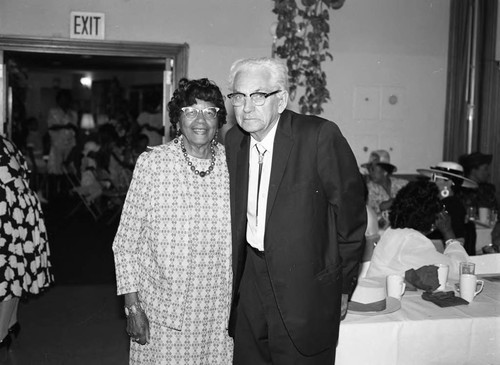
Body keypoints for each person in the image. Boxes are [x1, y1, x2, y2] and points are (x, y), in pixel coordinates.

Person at [224, 57, 366, 364]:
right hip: (249, 282)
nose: (246, 108)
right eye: (238, 96)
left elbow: (351, 219)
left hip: (305, 287)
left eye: (258, 96)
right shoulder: (234, 140)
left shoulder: (318, 137)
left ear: (281, 100)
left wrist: (344, 286)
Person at [112, 78, 233, 364]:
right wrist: (133, 309)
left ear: (219, 120)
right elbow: (125, 243)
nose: (200, 119)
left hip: (217, 312)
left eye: (209, 111)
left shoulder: (234, 166)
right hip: (164, 312)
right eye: (190, 110)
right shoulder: (153, 164)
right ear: (178, 120)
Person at [0, 135, 53, 353]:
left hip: (10, 214)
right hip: (18, 212)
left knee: (8, 273)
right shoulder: (5, 142)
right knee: (13, 270)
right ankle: (10, 324)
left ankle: (2, 333)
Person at [365, 180, 469, 281]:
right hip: (384, 296)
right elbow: (458, 271)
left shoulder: (392, 232)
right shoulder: (413, 241)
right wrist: (448, 233)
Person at [417, 161, 478, 254]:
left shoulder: (453, 206)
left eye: (435, 177)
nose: (430, 181)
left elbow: (459, 241)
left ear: (448, 183)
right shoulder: (441, 203)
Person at [362, 150, 408, 229]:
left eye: (373, 169)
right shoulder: (368, 188)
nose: (370, 173)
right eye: (369, 170)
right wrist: (398, 199)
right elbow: (380, 207)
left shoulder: (402, 184)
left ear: (385, 171)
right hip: (379, 231)